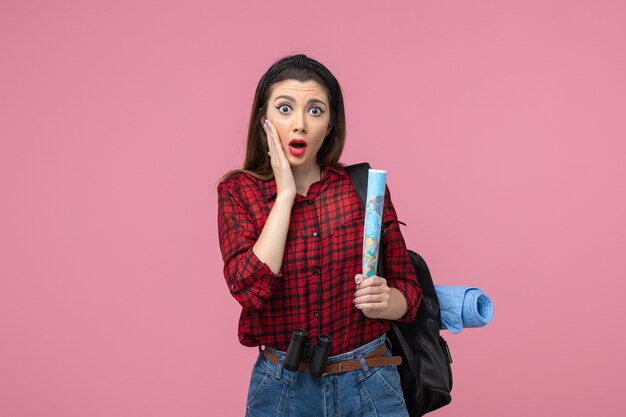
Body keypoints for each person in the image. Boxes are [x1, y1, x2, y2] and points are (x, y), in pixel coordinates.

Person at [217, 54, 421, 417]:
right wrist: (283, 196)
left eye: (315, 111)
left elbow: (409, 291)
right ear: (264, 121)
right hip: (281, 389)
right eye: (285, 108)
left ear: (330, 125)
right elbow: (249, 290)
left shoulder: (364, 189)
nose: (300, 124)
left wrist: (387, 300)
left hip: (369, 379)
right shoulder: (238, 192)